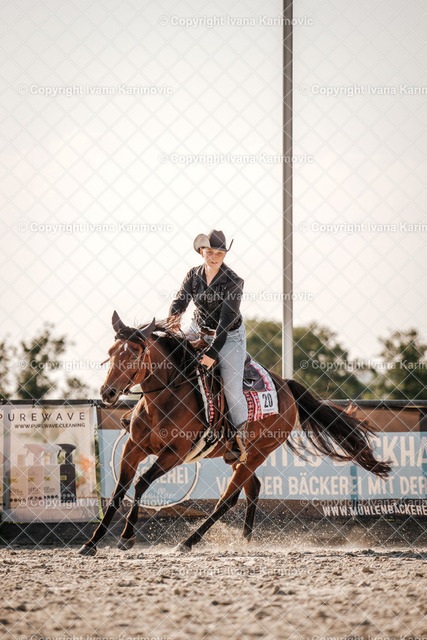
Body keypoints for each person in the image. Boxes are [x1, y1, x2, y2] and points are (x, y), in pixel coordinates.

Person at [168, 229, 248, 463]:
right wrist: (174, 319)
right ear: (202, 251)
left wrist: (212, 353)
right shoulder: (193, 275)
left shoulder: (234, 282)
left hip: (228, 335)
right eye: (210, 252)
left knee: (232, 389)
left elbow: (225, 321)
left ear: (225, 255)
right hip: (198, 327)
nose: (214, 257)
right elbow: (180, 301)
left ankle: (239, 440)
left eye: (219, 253)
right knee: (168, 355)